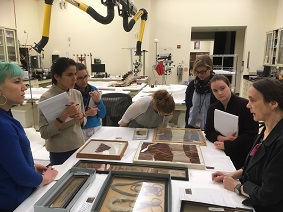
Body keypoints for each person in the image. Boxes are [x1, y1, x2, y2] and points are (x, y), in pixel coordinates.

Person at [212, 78, 283, 211]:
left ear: (273, 103)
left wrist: (237, 187)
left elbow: (268, 195)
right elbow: (255, 165)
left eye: (253, 100)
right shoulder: (266, 131)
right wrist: (233, 175)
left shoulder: (280, 142)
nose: (248, 105)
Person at [0, 62, 58, 211]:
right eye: (16, 81)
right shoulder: (3, 125)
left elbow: (6, 159)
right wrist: (45, 178)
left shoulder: (6, 116)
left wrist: (29, 165)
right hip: (14, 202)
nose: (24, 87)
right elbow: (21, 176)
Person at [39, 57, 86, 165]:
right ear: (56, 76)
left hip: (79, 146)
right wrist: (65, 115)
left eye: (75, 74)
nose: (74, 79)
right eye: (69, 75)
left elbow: (83, 121)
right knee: (62, 181)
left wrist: (81, 117)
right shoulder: (46, 98)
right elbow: (44, 133)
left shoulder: (76, 93)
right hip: (59, 152)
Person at [205, 75, 259, 169]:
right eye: (215, 91)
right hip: (219, 150)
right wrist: (222, 138)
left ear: (230, 86)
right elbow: (208, 131)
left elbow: (251, 135)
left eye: (222, 88)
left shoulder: (245, 106)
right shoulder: (213, 108)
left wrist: (227, 145)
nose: (220, 93)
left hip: (240, 154)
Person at [74, 63, 106, 140]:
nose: (84, 80)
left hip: (96, 128)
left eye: (85, 76)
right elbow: (71, 120)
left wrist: (98, 101)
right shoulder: (72, 93)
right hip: (79, 130)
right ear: (74, 78)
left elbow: (102, 115)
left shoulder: (93, 89)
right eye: (80, 78)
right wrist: (87, 114)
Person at [185, 54, 217, 130]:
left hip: (210, 127)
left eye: (203, 72)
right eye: (197, 72)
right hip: (192, 125)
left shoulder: (216, 85)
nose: (200, 75)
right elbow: (189, 107)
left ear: (210, 69)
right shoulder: (192, 85)